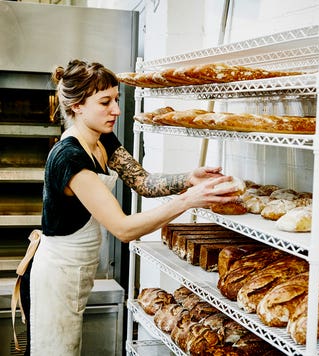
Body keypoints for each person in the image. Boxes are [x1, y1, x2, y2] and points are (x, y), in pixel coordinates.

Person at [23, 59, 239, 356]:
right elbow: (123, 229)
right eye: (105, 102)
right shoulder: (69, 158)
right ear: (77, 107)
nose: (116, 110)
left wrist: (188, 179)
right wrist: (188, 200)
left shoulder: (102, 140)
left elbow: (143, 181)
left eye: (116, 99)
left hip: (78, 268)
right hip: (56, 274)